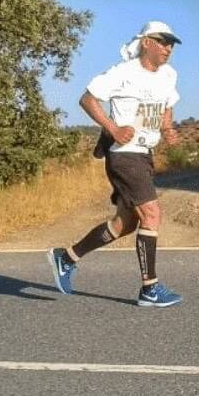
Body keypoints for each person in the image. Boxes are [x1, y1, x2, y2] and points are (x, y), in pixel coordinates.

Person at [48, 20, 184, 307]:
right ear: (146, 42)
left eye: (172, 44)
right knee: (151, 214)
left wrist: (168, 128)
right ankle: (149, 289)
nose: (168, 48)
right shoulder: (123, 72)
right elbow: (87, 99)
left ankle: (67, 258)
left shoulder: (169, 75)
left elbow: (167, 106)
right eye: (163, 41)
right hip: (124, 154)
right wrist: (113, 128)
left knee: (125, 223)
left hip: (144, 154)